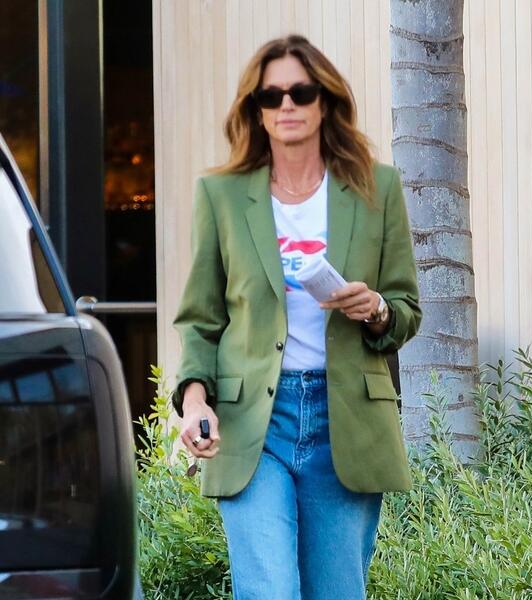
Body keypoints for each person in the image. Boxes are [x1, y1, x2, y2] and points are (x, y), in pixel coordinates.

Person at [172, 34, 421, 600]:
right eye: (271, 96)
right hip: (254, 424)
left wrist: (376, 309)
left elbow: (406, 310)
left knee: (337, 591)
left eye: (301, 93)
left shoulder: (377, 188)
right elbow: (201, 319)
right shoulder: (221, 195)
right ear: (256, 110)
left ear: (325, 102)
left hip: (346, 421)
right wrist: (194, 402)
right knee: (270, 590)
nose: (286, 105)